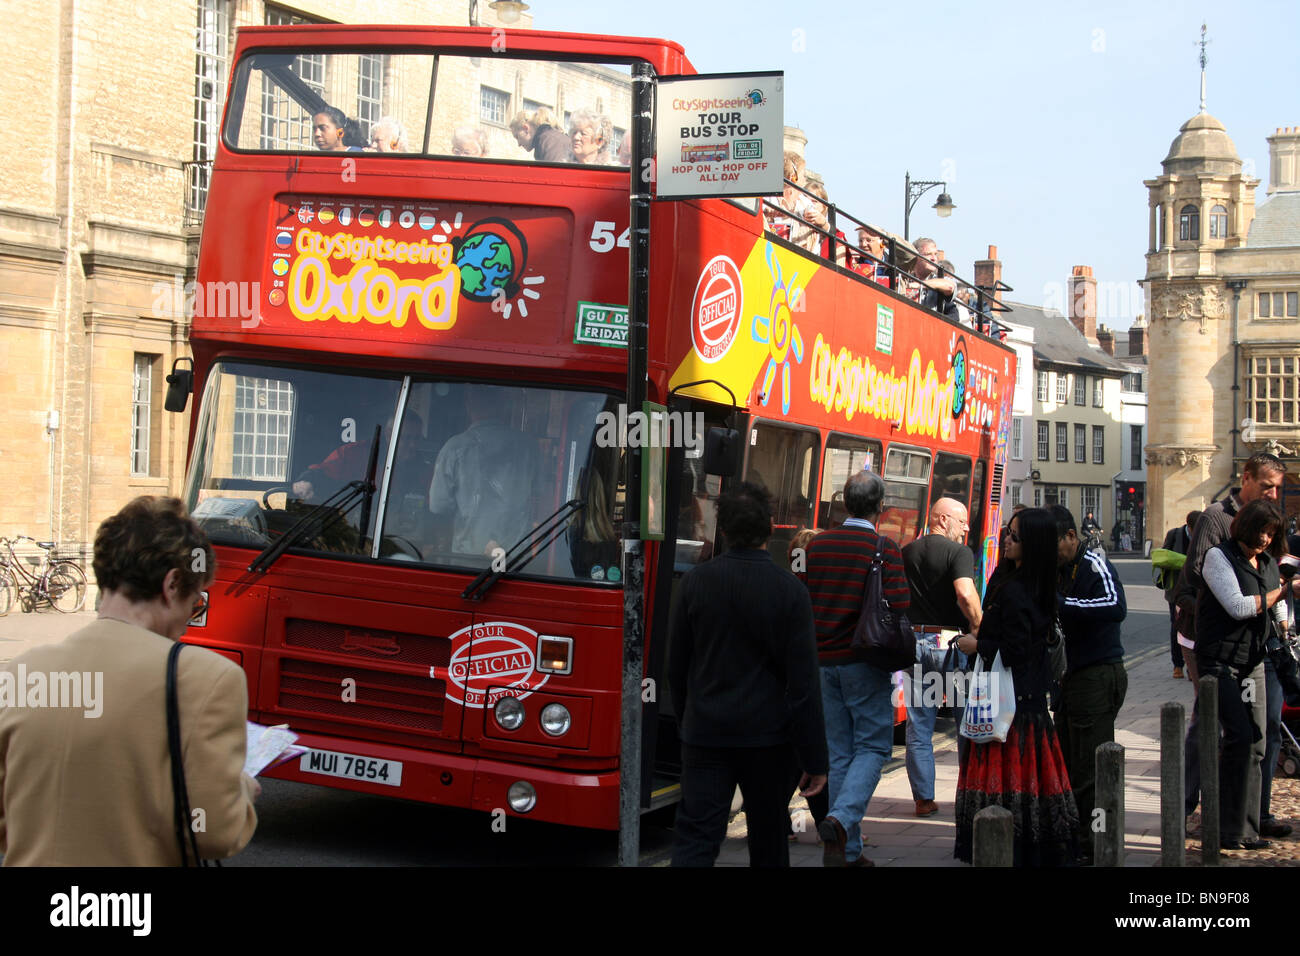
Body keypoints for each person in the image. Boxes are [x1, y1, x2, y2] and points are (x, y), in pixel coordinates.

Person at [0, 496, 259, 865]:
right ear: (172, 585)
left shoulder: (22, 672)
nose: (189, 617)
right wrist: (243, 789)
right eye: (195, 601)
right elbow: (215, 831)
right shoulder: (210, 679)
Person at [668, 483, 827, 867]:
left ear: (722, 530)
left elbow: (677, 666)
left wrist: (689, 719)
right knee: (769, 836)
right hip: (769, 739)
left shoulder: (694, 584)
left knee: (697, 836)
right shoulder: (790, 591)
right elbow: (804, 684)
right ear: (771, 528)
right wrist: (815, 758)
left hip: (706, 733)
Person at [953, 508, 1080, 865]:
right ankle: (1029, 845)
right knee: (1032, 782)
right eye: (1008, 532)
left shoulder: (1019, 591)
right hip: (1024, 702)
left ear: (1033, 544)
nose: (1006, 539)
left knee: (1007, 781)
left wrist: (978, 645)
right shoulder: (1027, 581)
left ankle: (1010, 847)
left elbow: (1017, 650)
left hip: (1010, 707)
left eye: (1014, 536)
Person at [1174, 452, 1289, 840]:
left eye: (1278, 487)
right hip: (1214, 644)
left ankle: (1254, 814)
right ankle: (1187, 805)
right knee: (1210, 727)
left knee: (1263, 731)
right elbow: (1195, 577)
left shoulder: (1268, 550)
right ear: (1247, 477)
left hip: (1258, 649)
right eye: (1267, 485)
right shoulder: (1216, 521)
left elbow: (1273, 590)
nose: (1273, 493)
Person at [804, 469, 909, 867]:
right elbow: (899, 604)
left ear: (843, 503)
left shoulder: (817, 547)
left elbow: (802, 599)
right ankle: (842, 819)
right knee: (874, 745)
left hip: (821, 664)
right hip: (864, 662)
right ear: (880, 507)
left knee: (839, 752)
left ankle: (847, 853)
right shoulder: (885, 547)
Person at [1196, 499, 1300, 850]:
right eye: (1262, 531)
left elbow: (1278, 601)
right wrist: (1283, 592)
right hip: (1220, 662)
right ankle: (1225, 825)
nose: (1266, 539)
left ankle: (1247, 828)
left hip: (1252, 661)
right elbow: (1239, 606)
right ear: (1245, 526)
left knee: (1256, 741)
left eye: (1272, 533)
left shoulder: (1268, 561)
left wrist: (1284, 625)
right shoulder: (1218, 557)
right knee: (1238, 738)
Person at [1049, 503, 1127, 862]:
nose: (1051, 553)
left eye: (1055, 544)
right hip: (1071, 678)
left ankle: (1095, 843)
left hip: (1097, 672)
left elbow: (1115, 606)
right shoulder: (1059, 568)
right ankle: (1077, 838)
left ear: (1070, 536)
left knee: (1091, 771)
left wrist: (1064, 604)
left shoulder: (1094, 562)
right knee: (1070, 765)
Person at [901, 496, 982, 817]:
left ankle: (923, 799)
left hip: (914, 642)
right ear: (943, 519)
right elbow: (965, 593)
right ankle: (969, 792)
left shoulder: (907, 552)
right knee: (966, 721)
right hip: (951, 645)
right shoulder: (958, 553)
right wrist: (980, 628)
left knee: (920, 722)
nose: (965, 529)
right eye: (962, 522)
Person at [428, 385, 536, 557]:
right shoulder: (528, 447)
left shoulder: (454, 448)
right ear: (502, 403)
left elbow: (438, 505)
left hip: (468, 556)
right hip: (516, 559)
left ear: (468, 404)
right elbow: (540, 497)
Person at [1161, 511, 1201, 678]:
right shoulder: (1174, 535)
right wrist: (1180, 561)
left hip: (1196, 588)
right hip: (1176, 589)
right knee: (1176, 626)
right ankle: (1177, 664)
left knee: (1195, 626)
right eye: (1195, 530)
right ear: (1189, 526)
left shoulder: (1203, 536)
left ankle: (1192, 668)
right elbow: (1162, 557)